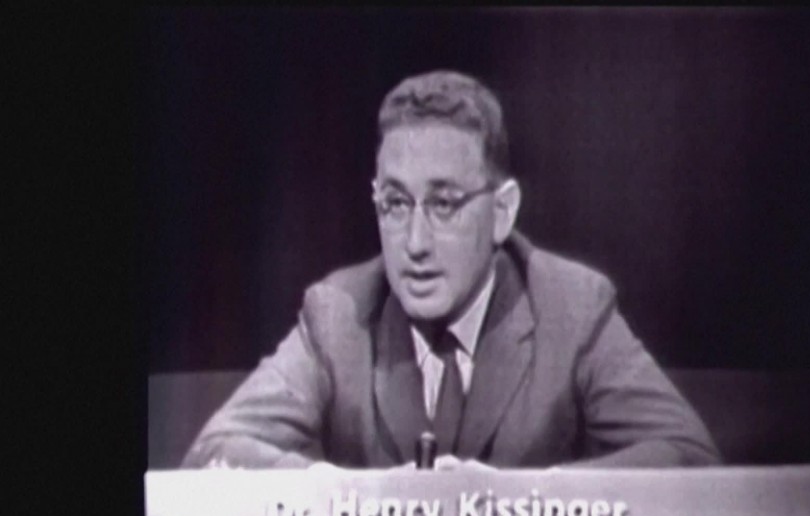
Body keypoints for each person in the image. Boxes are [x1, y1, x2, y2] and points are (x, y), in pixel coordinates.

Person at [182, 70, 720, 471]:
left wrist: (521, 500)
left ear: (502, 212)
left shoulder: (572, 307)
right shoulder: (339, 313)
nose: (415, 243)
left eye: (444, 204)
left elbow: (691, 456)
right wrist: (341, 492)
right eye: (396, 204)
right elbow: (213, 452)